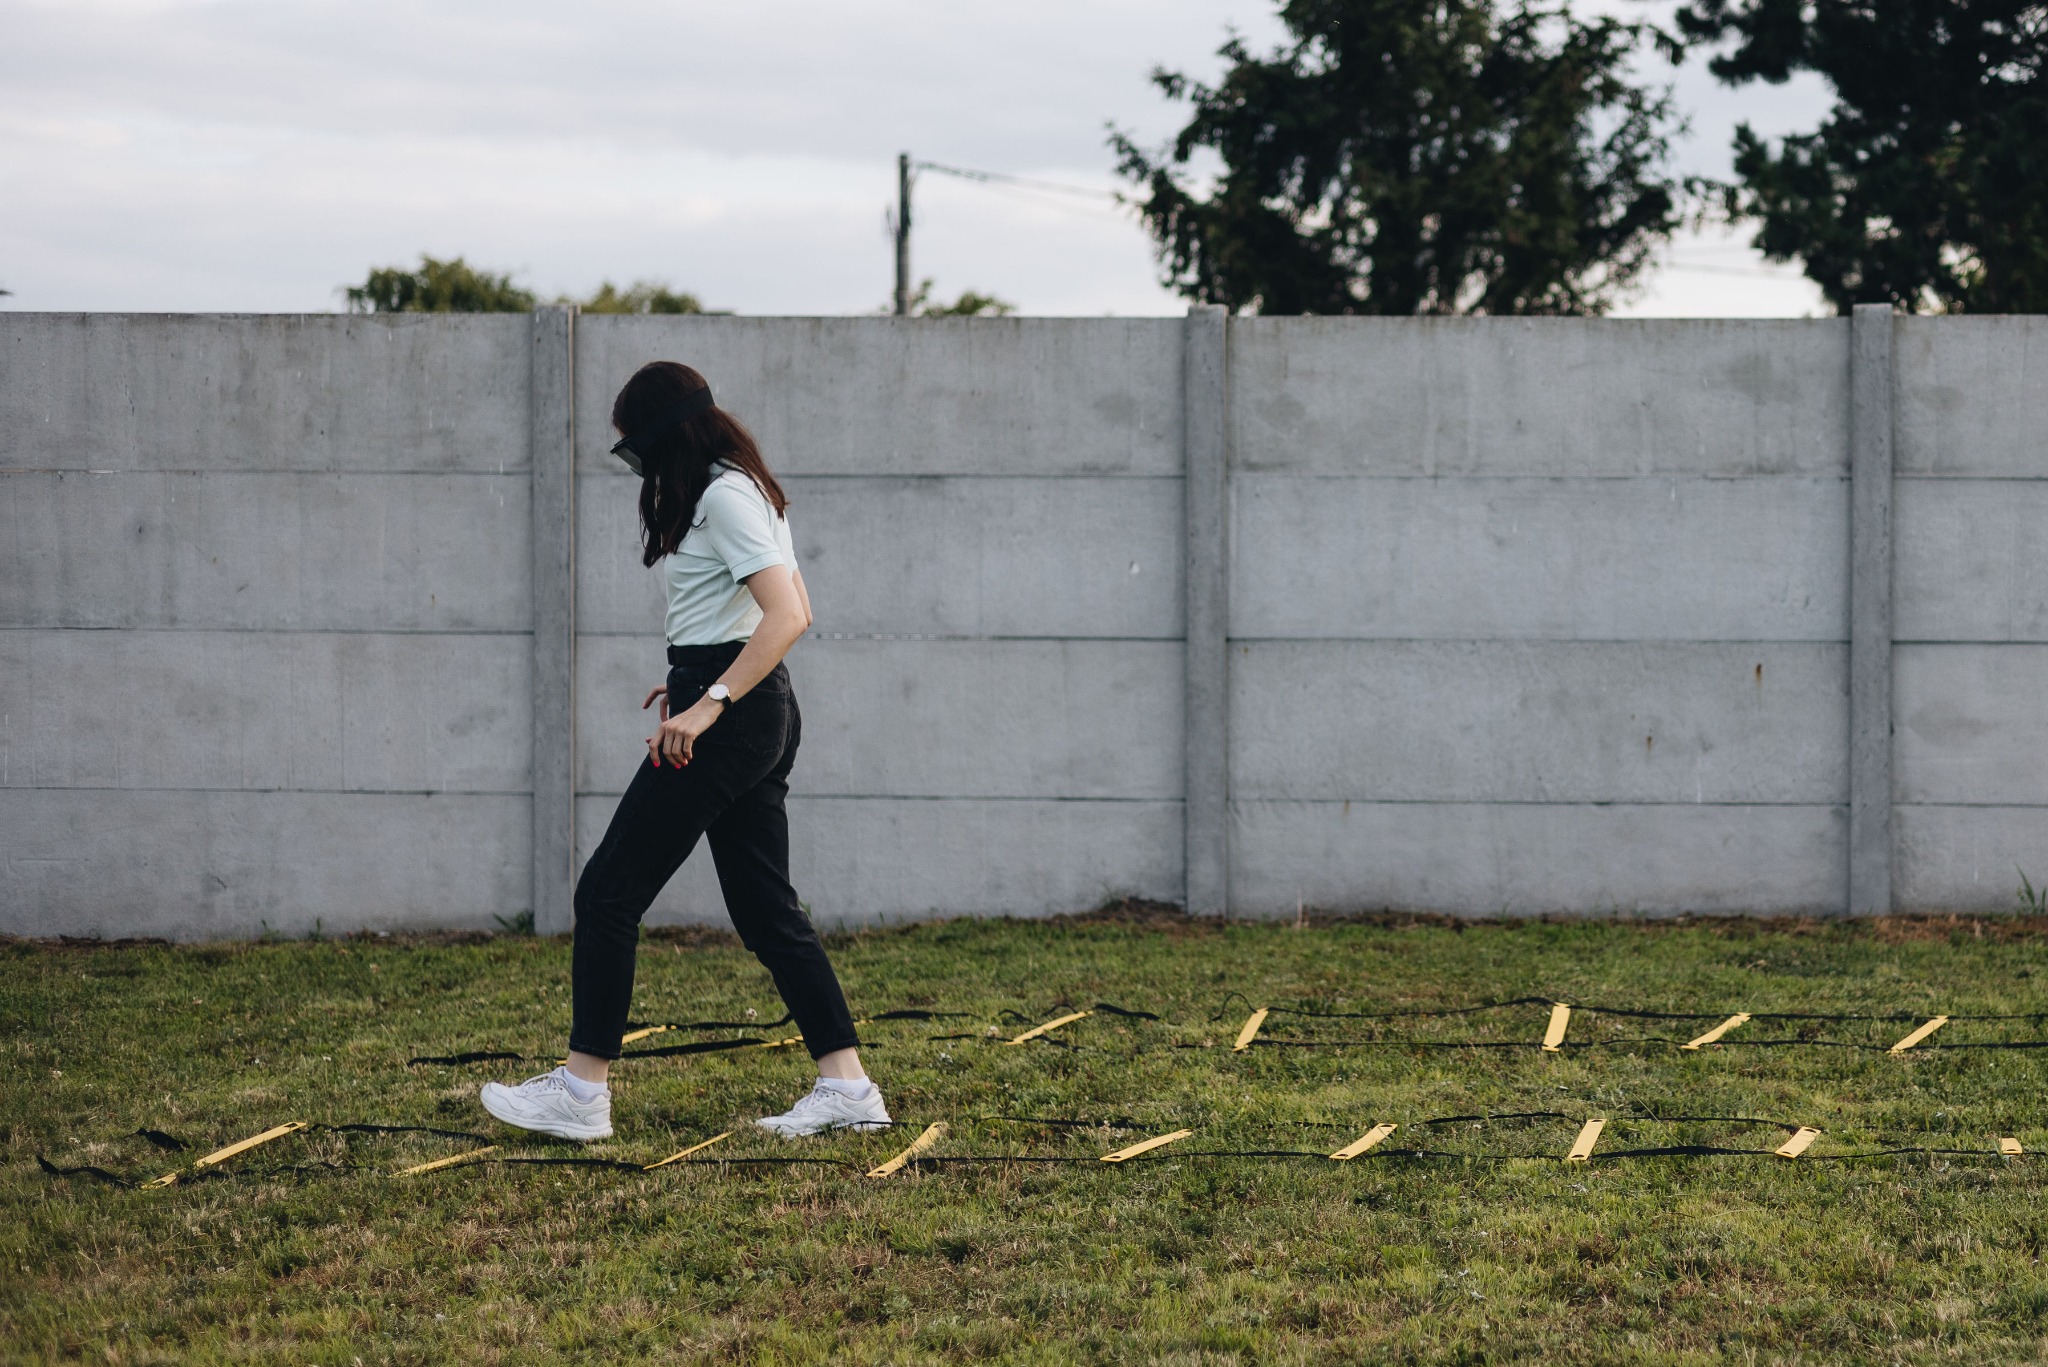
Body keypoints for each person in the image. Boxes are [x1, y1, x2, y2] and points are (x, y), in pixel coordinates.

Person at [479, 361, 886, 1143]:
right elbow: (755, 614)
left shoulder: (727, 495)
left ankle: (580, 1093)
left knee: (607, 891)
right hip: (749, 704)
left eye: (637, 447)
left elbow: (789, 613)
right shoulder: (742, 487)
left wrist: (706, 704)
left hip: (734, 716)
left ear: (669, 435)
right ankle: (847, 1086)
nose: (638, 466)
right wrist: (693, 681)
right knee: (767, 910)